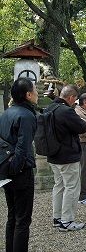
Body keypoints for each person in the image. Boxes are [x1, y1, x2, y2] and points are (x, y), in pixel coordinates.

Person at [0, 77, 38, 251]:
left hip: (6, 169)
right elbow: (23, 148)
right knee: (23, 219)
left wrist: (8, 169)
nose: (38, 93)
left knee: (12, 216)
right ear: (28, 94)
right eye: (35, 90)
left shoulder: (6, 113)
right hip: (21, 171)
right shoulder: (27, 115)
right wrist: (16, 169)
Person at [46, 84, 86, 232]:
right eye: (75, 99)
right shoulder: (66, 111)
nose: (75, 102)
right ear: (71, 97)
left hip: (53, 155)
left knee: (58, 186)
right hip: (67, 156)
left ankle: (57, 218)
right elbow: (82, 127)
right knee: (71, 187)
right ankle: (67, 221)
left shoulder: (50, 108)